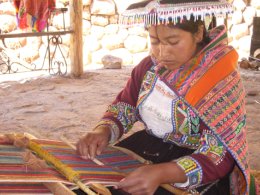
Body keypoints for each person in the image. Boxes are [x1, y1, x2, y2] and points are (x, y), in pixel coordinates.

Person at [76, 0, 258, 194]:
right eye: (154, 41)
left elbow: (218, 155)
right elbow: (125, 106)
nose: (162, 52)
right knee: (86, 183)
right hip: (148, 147)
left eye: (173, 42)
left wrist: (161, 173)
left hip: (196, 164)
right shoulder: (149, 68)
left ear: (197, 33)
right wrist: (103, 131)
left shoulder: (219, 78)